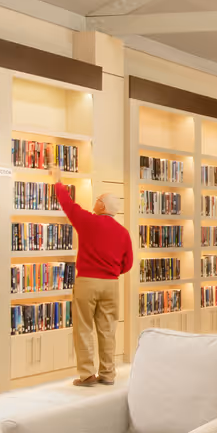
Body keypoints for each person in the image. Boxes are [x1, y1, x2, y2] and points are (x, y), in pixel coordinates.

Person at [51, 164, 132, 386]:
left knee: (84, 327)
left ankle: (87, 375)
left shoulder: (87, 221)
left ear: (101, 205)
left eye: (97, 199)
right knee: (108, 330)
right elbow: (128, 264)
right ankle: (108, 374)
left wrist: (58, 181)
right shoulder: (123, 233)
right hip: (111, 284)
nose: (94, 202)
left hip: (87, 282)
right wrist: (111, 270)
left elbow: (67, 204)